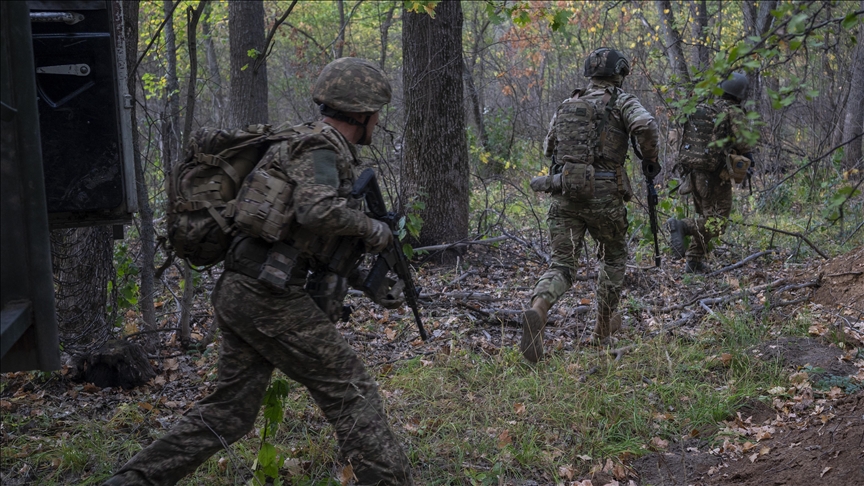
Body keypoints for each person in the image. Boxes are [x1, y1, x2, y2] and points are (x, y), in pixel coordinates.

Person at [103, 58, 413, 486]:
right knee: (351, 390)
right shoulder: (320, 148)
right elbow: (317, 209)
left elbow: (308, 237)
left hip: (245, 290)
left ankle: (132, 480)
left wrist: (367, 278)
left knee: (229, 413)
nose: (378, 120)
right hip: (268, 296)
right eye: (377, 112)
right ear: (361, 113)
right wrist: (373, 228)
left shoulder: (308, 145)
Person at [523, 48, 660, 361]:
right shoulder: (622, 100)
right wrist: (650, 159)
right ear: (620, 72)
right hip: (603, 195)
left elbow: (549, 147)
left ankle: (539, 308)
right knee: (613, 257)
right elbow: (647, 127)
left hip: (564, 193)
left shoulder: (569, 103)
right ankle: (602, 328)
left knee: (561, 265)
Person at [666, 72, 755, 274]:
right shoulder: (732, 111)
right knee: (718, 223)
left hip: (695, 173)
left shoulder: (710, 108)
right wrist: (749, 155)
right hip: (716, 175)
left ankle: (694, 260)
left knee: (708, 218)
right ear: (740, 93)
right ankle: (682, 226)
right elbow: (743, 141)